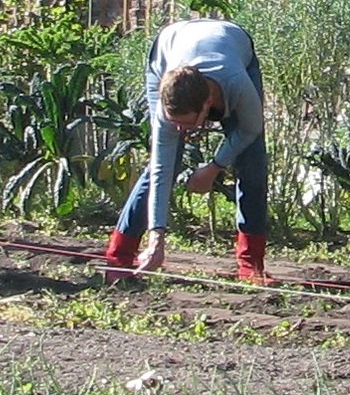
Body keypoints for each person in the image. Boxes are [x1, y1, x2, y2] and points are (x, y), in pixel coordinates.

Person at [103, 18, 274, 284]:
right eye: (175, 123)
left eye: (185, 123)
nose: (179, 129)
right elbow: (162, 167)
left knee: (252, 160)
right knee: (163, 165)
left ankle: (251, 265)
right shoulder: (166, 107)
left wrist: (214, 167)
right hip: (169, 47)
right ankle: (119, 257)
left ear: (208, 105)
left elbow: (250, 129)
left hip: (234, 44)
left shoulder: (237, 84)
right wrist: (157, 238)